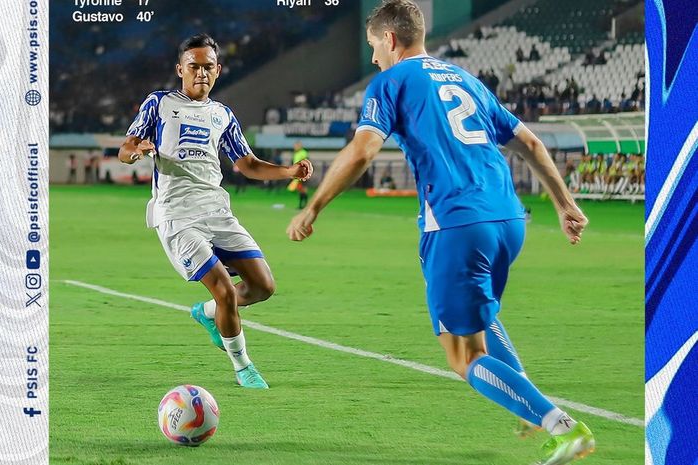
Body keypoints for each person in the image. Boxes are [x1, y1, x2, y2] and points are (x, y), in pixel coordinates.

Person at [286, 2, 593, 463]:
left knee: (462, 355)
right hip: (509, 219)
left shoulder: (391, 81)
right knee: (480, 319)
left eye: (373, 46)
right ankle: (530, 406)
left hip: (457, 222)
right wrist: (565, 204)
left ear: (390, 39)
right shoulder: (464, 79)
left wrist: (313, 206)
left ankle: (563, 427)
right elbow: (528, 141)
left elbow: (364, 150)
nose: (372, 58)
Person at [118, 33, 313, 389]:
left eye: (208, 67)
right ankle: (244, 367)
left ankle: (207, 315)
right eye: (194, 66)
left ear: (218, 70)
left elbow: (248, 164)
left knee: (263, 286)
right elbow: (126, 146)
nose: (201, 73)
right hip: (178, 216)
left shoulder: (222, 115)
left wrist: (288, 171)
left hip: (217, 212)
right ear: (181, 69)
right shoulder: (159, 104)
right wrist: (136, 150)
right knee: (224, 290)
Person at [291, 141, 310, 209]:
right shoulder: (296, 154)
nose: (295, 147)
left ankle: (305, 205)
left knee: (303, 189)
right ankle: (301, 205)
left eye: (296, 146)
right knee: (300, 189)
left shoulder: (303, 153)